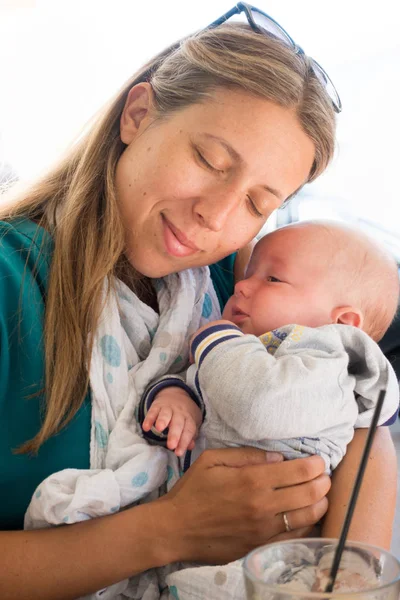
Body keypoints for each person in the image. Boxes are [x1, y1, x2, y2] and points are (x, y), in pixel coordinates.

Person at [0, 4, 397, 600]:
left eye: (258, 203)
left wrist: (342, 577)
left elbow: (361, 403)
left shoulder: (226, 280)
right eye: (209, 160)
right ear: (137, 115)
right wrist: (172, 530)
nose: (216, 215)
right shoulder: (12, 286)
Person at [141, 220, 400, 472]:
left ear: (342, 323)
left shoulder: (327, 369)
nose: (240, 286)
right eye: (247, 275)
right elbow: (207, 391)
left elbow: (256, 406)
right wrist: (175, 397)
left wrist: (216, 340)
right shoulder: (245, 352)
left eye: (273, 279)